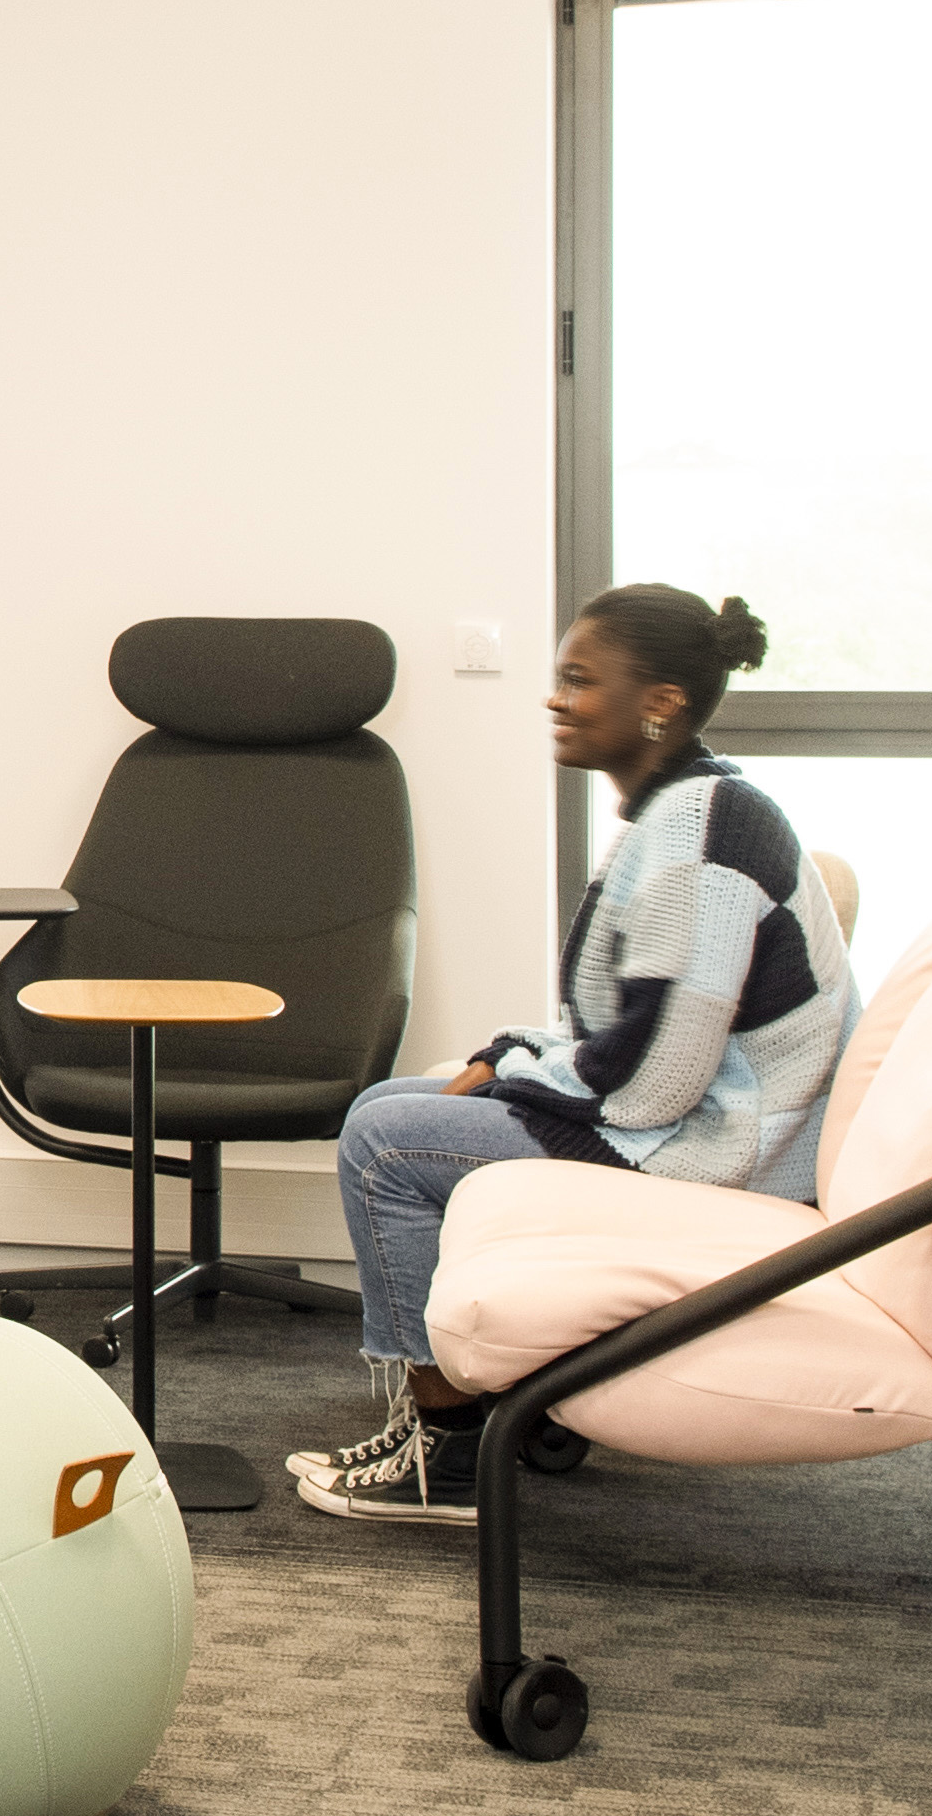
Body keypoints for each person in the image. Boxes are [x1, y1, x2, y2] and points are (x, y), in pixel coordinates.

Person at [288, 583, 858, 1527]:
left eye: (581, 680)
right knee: (394, 1101)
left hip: (726, 1151)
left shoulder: (701, 837)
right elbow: (630, 1031)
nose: (556, 699)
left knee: (384, 1143)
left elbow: (653, 1079)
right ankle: (493, 1402)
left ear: (660, 703)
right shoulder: (685, 811)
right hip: (702, 1119)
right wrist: (507, 1056)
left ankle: (450, 1453)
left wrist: (511, 1074)